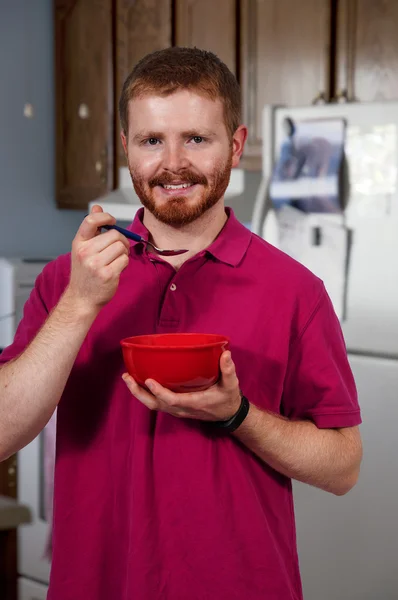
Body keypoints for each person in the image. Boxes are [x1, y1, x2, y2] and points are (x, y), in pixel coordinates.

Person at [0, 47, 362, 600]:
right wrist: (79, 304)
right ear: (125, 148)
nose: (172, 164)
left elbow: (343, 467)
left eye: (196, 138)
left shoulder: (296, 292)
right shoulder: (68, 281)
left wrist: (238, 415)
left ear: (235, 145)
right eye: (151, 141)